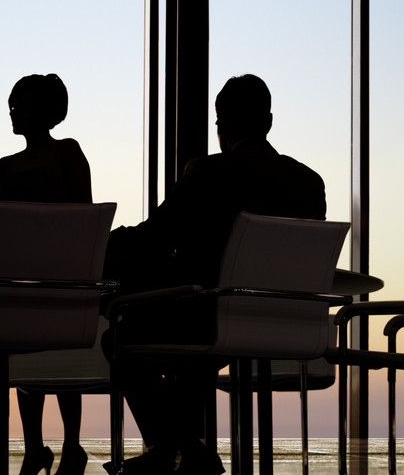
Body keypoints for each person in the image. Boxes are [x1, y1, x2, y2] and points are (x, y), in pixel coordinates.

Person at [101, 75, 325, 475]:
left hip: (214, 318)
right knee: (196, 344)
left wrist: (105, 241)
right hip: (288, 321)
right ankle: (181, 448)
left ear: (220, 126)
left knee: (122, 336)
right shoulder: (309, 182)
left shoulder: (208, 173)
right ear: (268, 122)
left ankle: (175, 446)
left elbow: (155, 235)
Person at [0, 74, 93, 475]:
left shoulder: (67, 152)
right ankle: (34, 445)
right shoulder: (5, 165)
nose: (14, 112)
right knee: (25, 362)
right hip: (20, 273)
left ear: (46, 111)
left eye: (22, 105)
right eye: (12, 104)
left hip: (61, 274)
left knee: (60, 362)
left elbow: (84, 213)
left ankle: (70, 444)